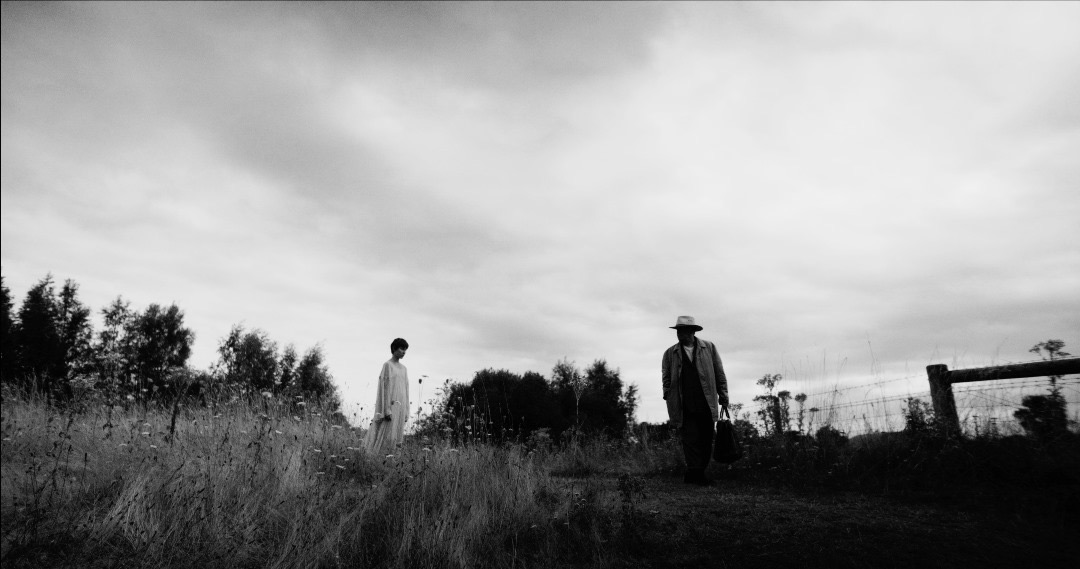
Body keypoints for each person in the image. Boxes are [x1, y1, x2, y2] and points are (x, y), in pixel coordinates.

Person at [661, 316, 729, 485]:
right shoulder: (670, 353)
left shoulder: (709, 348)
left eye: (683, 330)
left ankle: (696, 473)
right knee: (690, 439)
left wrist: (724, 395)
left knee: (706, 438)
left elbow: (719, 373)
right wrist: (668, 394)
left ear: (692, 332)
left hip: (706, 401)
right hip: (683, 403)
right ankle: (696, 473)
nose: (679, 334)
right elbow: (666, 377)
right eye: (678, 330)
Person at [363, 338, 411, 453]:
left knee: (397, 436)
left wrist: (406, 410)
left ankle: (393, 459)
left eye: (405, 350)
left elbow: (406, 389)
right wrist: (386, 409)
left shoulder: (404, 369)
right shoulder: (387, 365)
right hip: (391, 405)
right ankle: (378, 458)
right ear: (394, 348)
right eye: (401, 349)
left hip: (401, 405)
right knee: (386, 434)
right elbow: (385, 388)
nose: (404, 352)